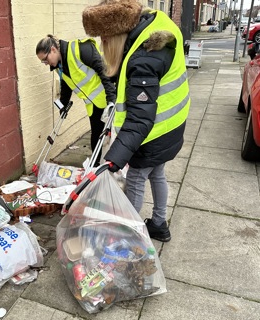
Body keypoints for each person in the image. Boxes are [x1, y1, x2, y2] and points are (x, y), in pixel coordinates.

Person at [82, 0, 190, 242]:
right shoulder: (152, 24)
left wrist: (113, 160)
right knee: (158, 173)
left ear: (114, 36)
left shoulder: (143, 60)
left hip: (153, 133)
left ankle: (127, 235)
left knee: (136, 180)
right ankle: (159, 224)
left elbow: (140, 119)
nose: (102, 46)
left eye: (104, 40)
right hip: (170, 127)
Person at [36, 35, 116, 166]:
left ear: (53, 50)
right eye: (43, 62)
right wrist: (63, 104)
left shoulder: (80, 49)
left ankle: (118, 168)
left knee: (113, 135)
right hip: (93, 104)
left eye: (45, 59)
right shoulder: (60, 66)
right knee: (96, 137)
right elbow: (67, 84)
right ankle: (95, 168)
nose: (46, 64)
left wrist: (112, 98)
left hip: (106, 98)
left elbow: (103, 70)